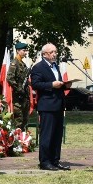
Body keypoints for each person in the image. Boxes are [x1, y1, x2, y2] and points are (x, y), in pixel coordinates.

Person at [30, 43, 73, 171]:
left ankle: (55, 160)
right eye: (52, 52)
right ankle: (45, 162)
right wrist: (51, 84)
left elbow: (58, 84)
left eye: (55, 52)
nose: (55, 54)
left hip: (59, 105)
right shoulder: (38, 67)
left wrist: (65, 85)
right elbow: (36, 84)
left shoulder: (55, 66)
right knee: (47, 135)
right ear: (44, 54)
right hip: (47, 106)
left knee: (57, 135)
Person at [7, 42, 32, 131]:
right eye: (24, 50)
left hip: (24, 96)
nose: (26, 52)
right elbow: (9, 78)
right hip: (18, 97)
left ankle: (24, 141)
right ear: (18, 51)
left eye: (26, 51)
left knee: (25, 120)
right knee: (19, 120)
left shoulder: (23, 64)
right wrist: (18, 88)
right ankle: (18, 142)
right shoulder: (14, 63)